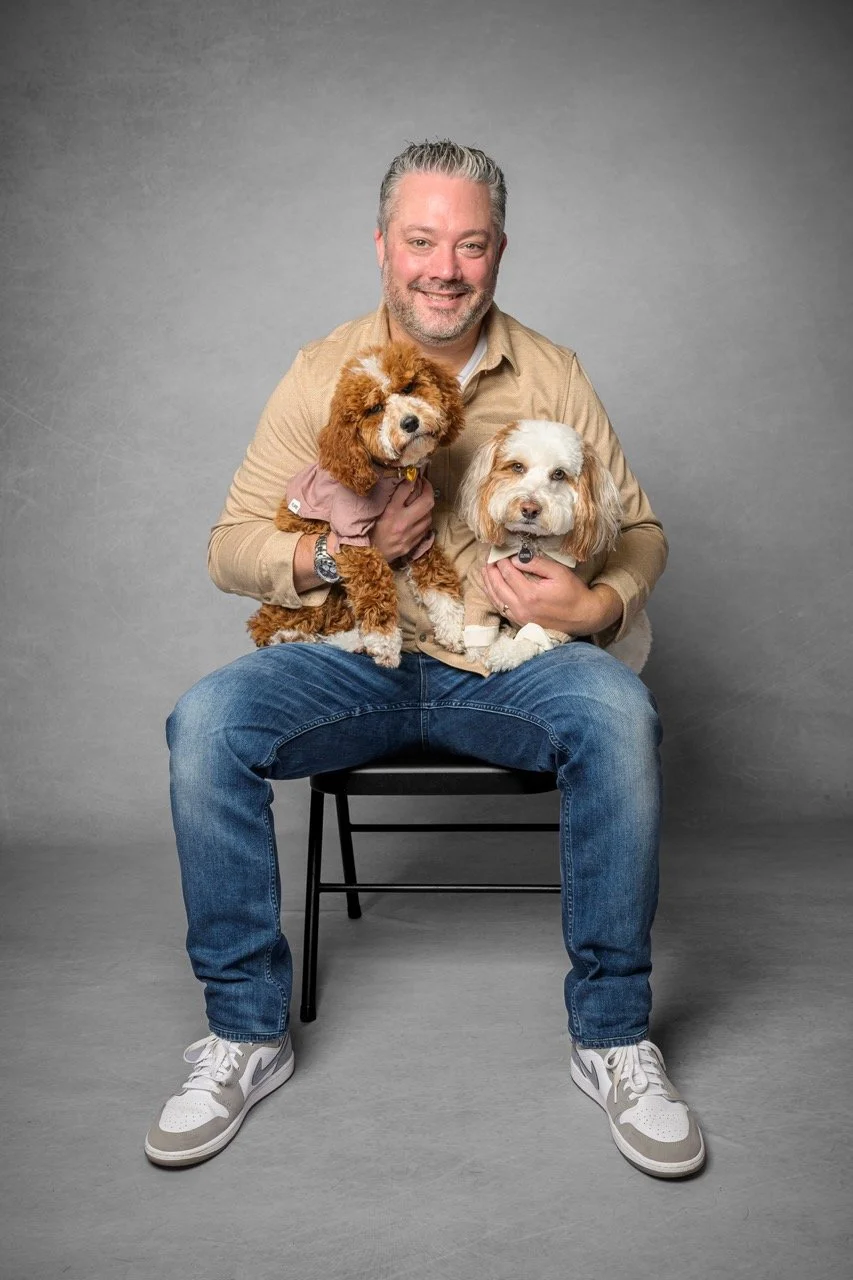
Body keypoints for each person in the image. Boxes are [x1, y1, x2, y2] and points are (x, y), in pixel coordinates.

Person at [145, 141, 706, 1179]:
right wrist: (333, 551)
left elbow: (644, 530)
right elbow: (231, 546)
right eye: (420, 240)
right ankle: (244, 1031)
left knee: (620, 718)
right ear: (381, 247)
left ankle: (615, 1035)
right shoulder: (323, 370)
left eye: (469, 243)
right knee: (207, 724)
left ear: (497, 253)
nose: (443, 266)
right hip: (354, 651)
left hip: (511, 660)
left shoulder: (551, 371)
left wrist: (595, 598)